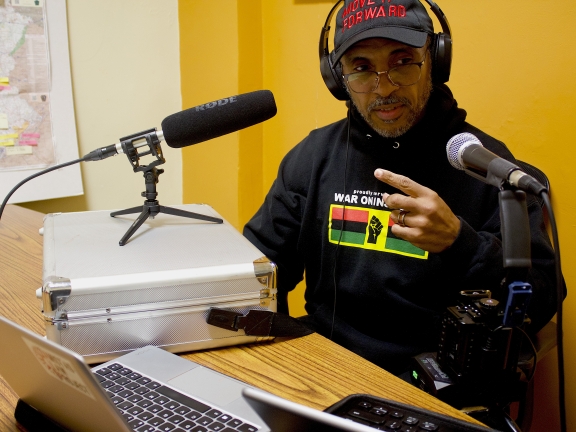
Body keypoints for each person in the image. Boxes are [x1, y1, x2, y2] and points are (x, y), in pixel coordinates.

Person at [243, 0, 561, 375]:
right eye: (361, 68)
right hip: (327, 369)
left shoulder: (484, 165)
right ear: (337, 77)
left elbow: (541, 299)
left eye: (402, 61)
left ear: (435, 61)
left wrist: (460, 243)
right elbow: (258, 274)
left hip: (434, 382)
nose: (384, 87)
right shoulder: (313, 157)